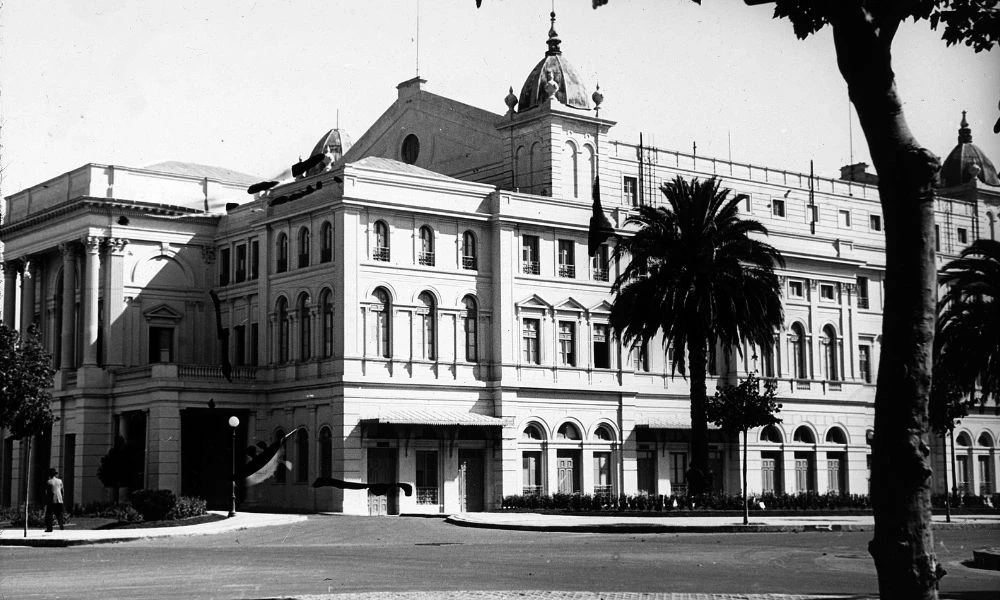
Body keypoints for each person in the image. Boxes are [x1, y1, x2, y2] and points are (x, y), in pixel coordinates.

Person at [44, 468, 65, 532]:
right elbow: (62, 491)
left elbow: (48, 492)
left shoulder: (49, 482)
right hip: (59, 499)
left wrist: (46, 501)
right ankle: (61, 526)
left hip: (52, 500)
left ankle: (49, 528)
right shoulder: (60, 481)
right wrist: (62, 499)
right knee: (59, 514)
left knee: (49, 514)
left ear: (49, 475)